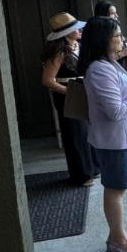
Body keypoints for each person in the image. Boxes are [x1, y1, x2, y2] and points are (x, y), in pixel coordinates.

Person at [80, 17, 127, 252]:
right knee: (115, 188)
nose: (121, 39)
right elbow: (115, 111)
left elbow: (123, 94)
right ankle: (119, 240)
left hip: (123, 137)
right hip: (114, 140)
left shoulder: (110, 63)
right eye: (117, 36)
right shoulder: (99, 69)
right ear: (103, 39)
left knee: (118, 188)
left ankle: (118, 233)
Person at [39, 12, 98, 186]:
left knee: (87, 132)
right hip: (67, 96)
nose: (79, 30)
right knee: (75, 134)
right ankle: (81, 175)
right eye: (75, 28)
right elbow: (47, 80)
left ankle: (92, 169)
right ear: (65, 33)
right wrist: (69, 92)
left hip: (81, 92)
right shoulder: (59, 51)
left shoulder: (78, 46)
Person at [94, 1, 127, 75]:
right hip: (110, 74)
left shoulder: (115, 28)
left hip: (123, 73)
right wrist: (124, 53)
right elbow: (101, 60)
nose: (117, 16)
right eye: (112, 13)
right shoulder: (97, 34)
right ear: (103, 14)